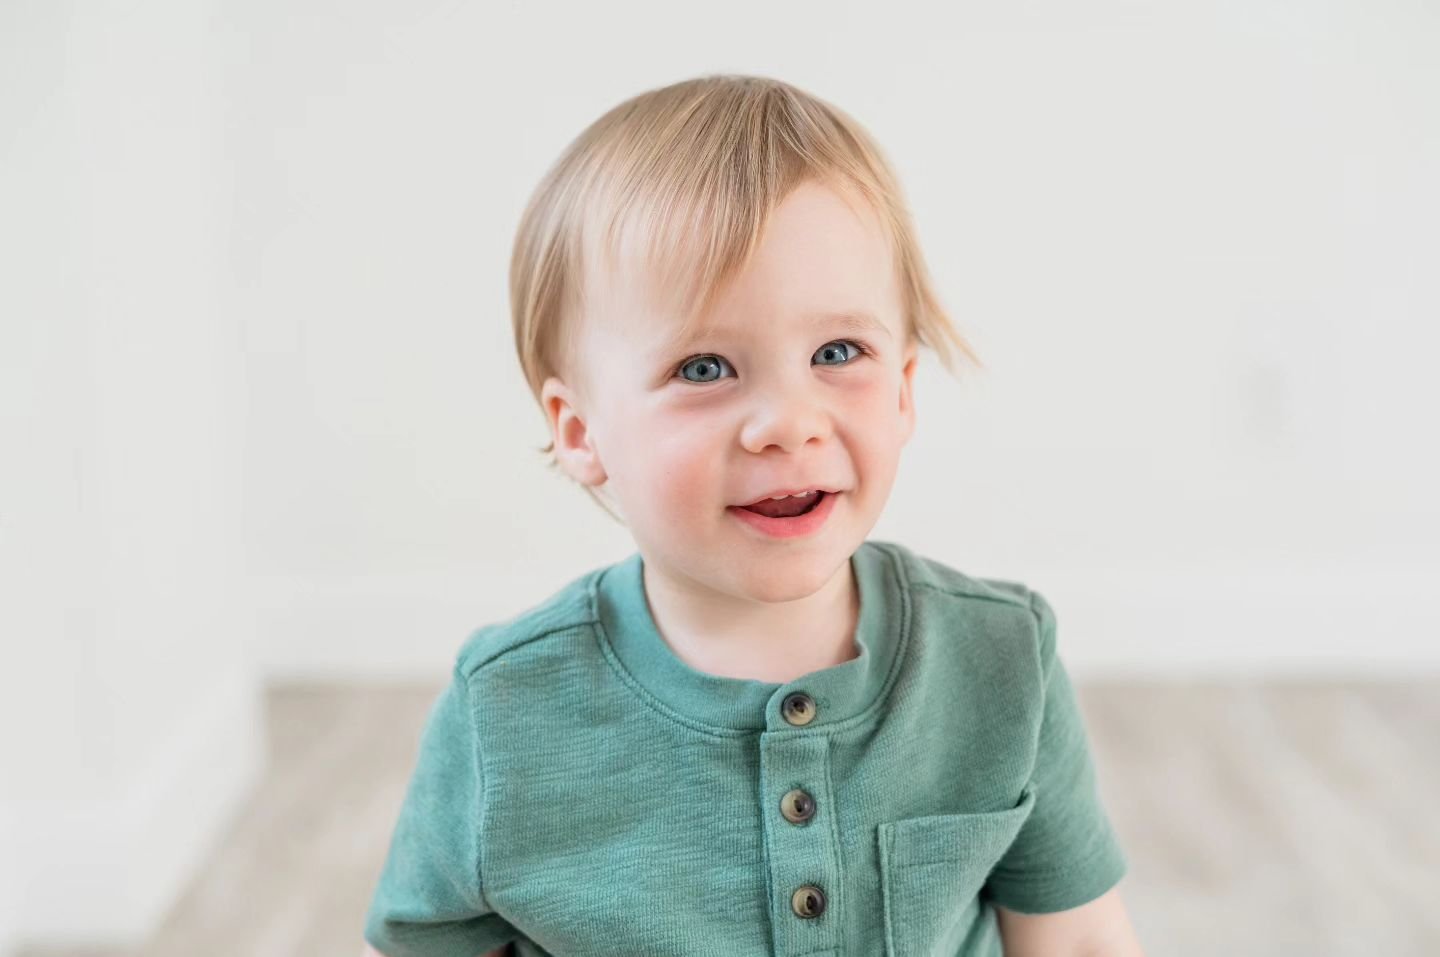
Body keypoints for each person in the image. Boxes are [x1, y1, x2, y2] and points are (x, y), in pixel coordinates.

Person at [361, 73, 1145, 957]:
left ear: (902, 392)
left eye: (837, 352)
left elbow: (1076, 936)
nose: (788, 423)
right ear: (582, 432)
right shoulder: (505, 709)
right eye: (704, 368)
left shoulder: (1001, 660)